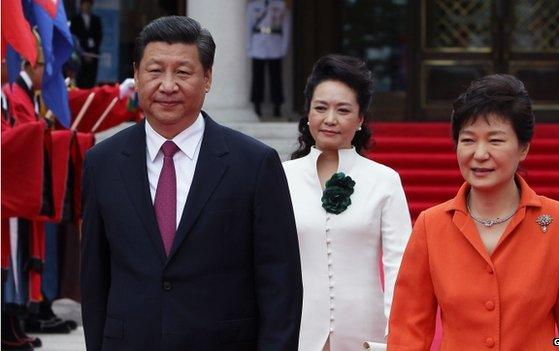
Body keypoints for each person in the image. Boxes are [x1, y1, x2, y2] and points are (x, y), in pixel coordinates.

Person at [80, 16, 303, 351]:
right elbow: (95, 279)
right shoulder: (103, 163)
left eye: (183, 72)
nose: (168, 85)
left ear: (208, 77)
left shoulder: (254, 163)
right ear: (137, 75)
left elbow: (280, 282)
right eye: (155, 71)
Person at [387, 74, 559, 350]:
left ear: (523, 148)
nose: (479, 153)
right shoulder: (432, 225)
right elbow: (408, 331)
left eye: (495, 140)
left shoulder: (557, 221)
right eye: (468, 140)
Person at [283, 54, 412, 350]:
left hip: (367, 330)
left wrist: (396, 335)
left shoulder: (384, 180)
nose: (330, 120)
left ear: (361, 118)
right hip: (297, 329)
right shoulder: (280, 177)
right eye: (320, 108)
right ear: (308, 113)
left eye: (343, 110)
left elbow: (400, 267)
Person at [246, 0, 290, 117]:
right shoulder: (253, 6)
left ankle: (277, 106)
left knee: (276, 78)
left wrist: (284, 47)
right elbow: (248, 26)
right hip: (258, 44)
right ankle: (257, 105)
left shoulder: (281, 5)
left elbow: (286, 26)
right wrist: (249, 47)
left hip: (275, 43)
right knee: (257, 78)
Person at [70, 0, 102, 88]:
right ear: (81, 5)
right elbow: (74, 39)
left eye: (89, 4)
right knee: (80, 81)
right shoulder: (75, 20)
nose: (87, 6)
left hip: (93, 56)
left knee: (91, 81)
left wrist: (91, 54)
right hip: (80, 57)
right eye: (85, 4)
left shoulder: (96, 20)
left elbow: (98, 38)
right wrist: (83, 53)